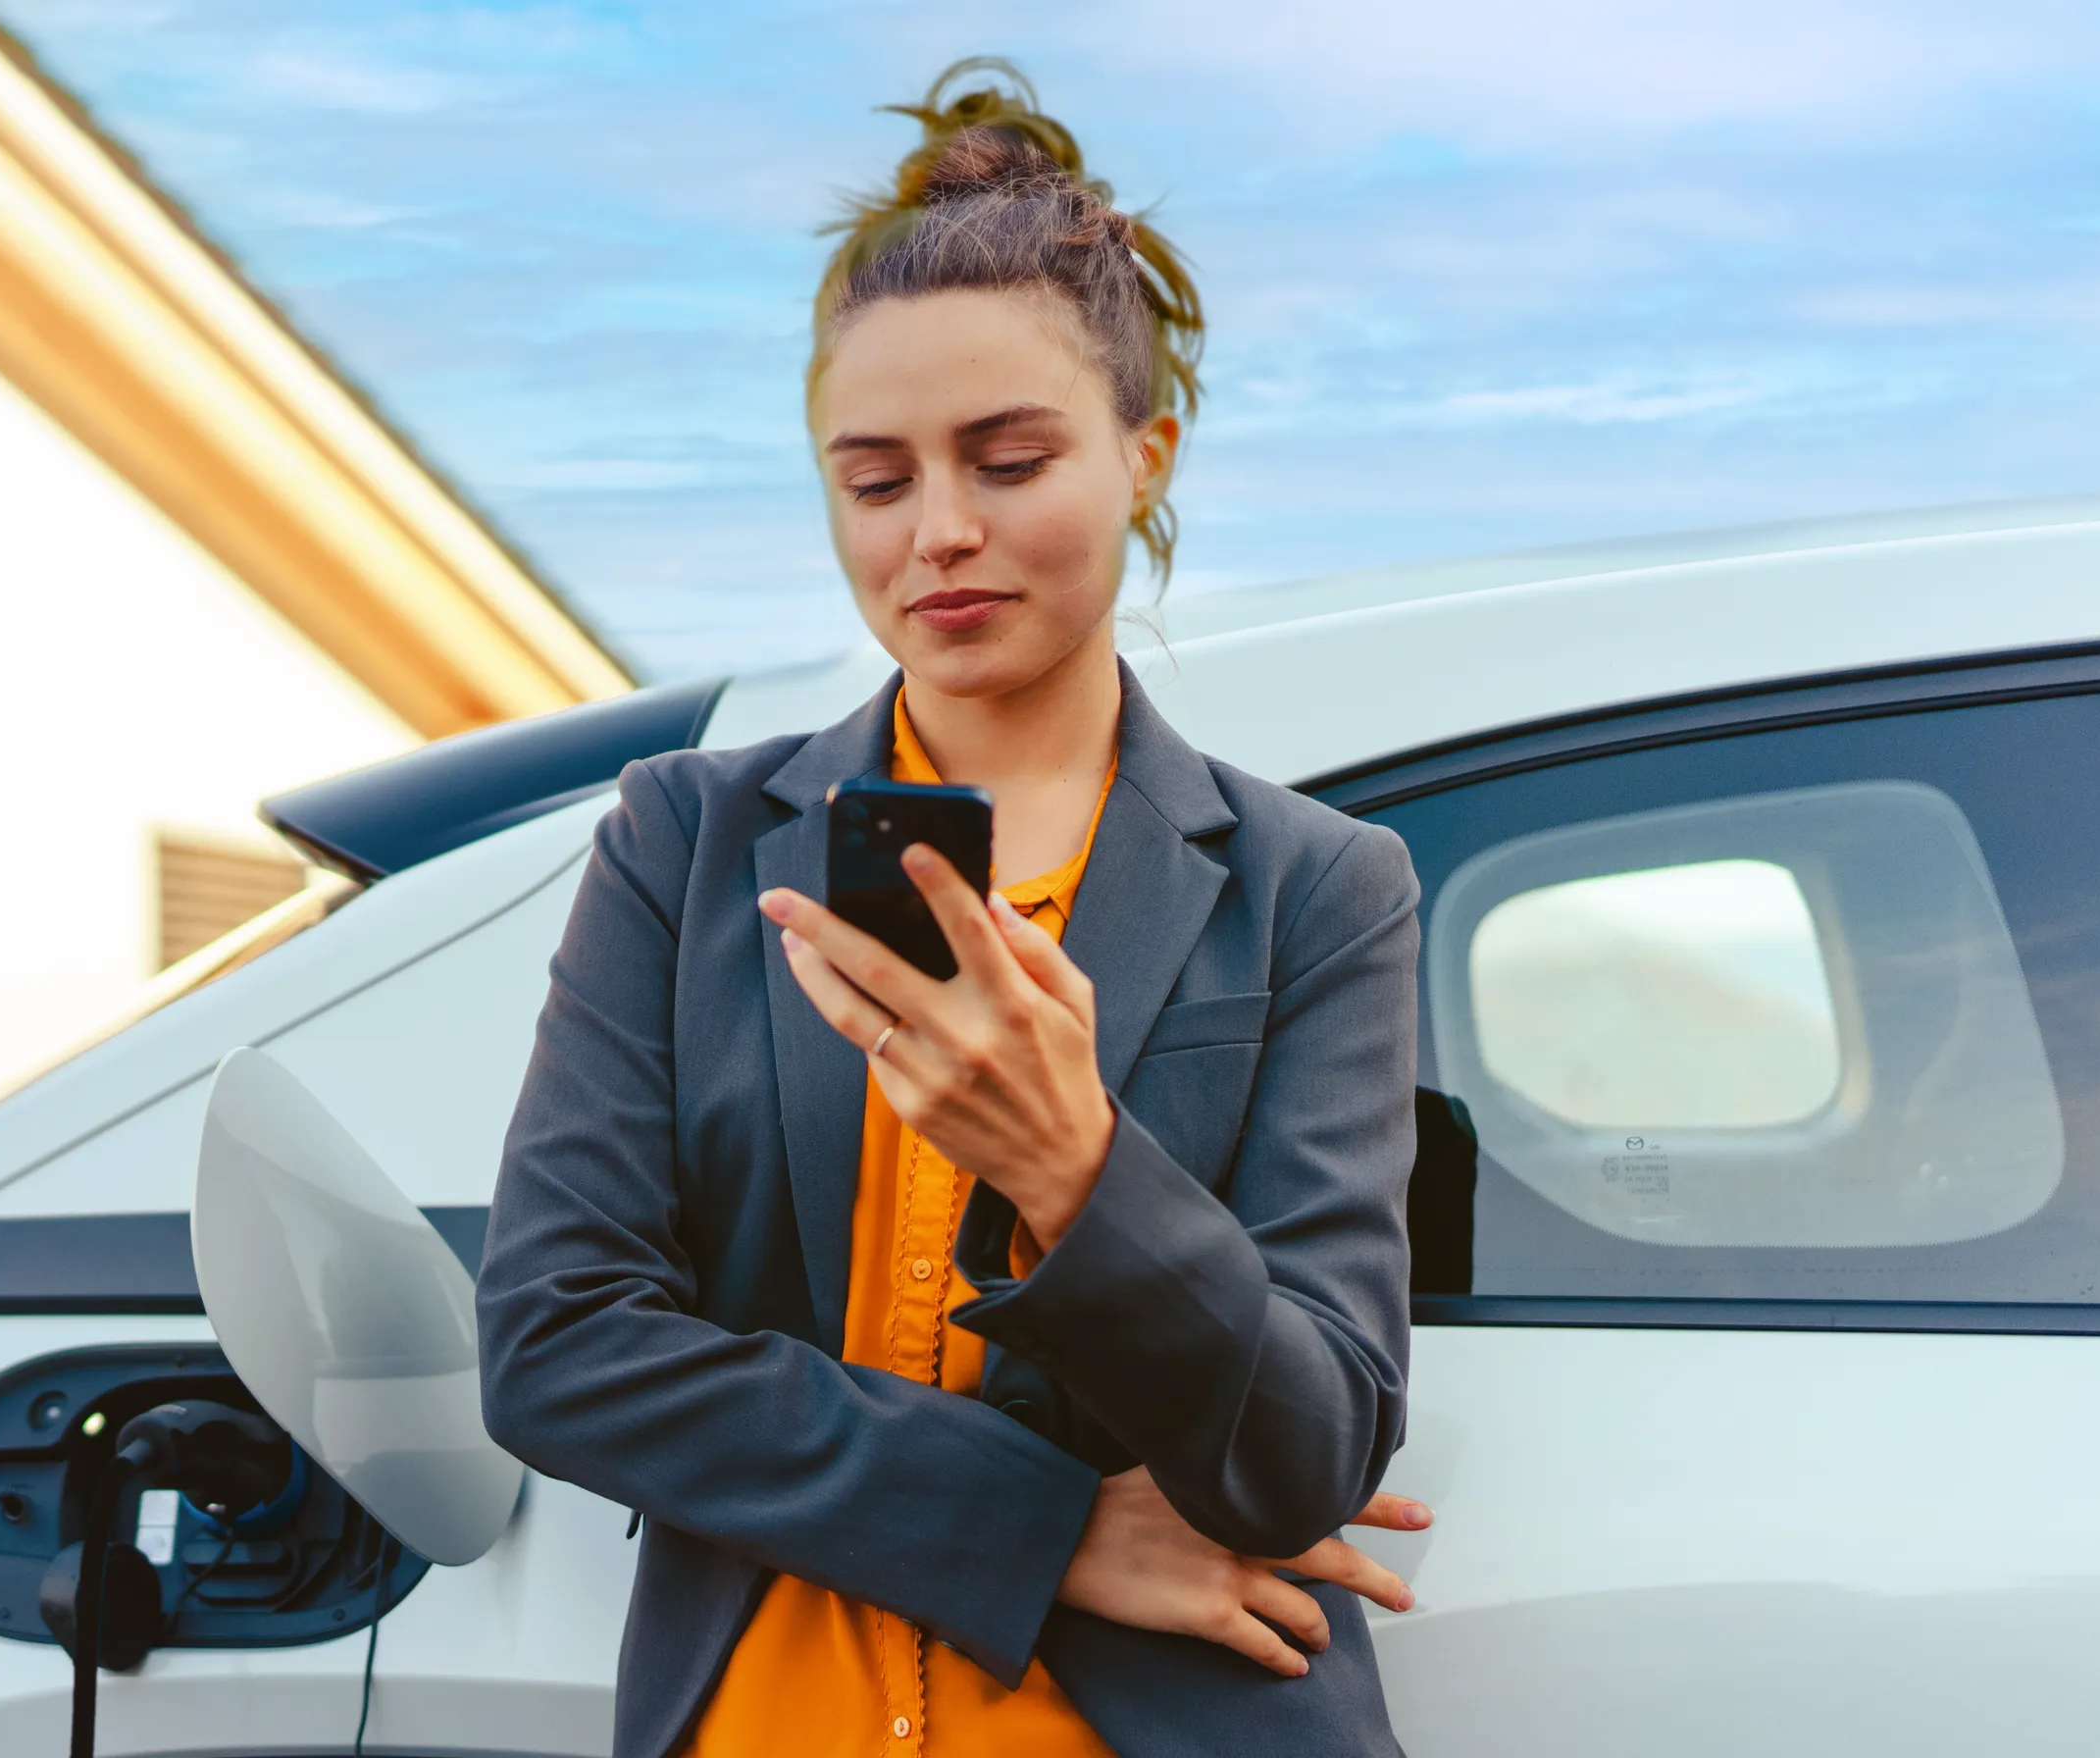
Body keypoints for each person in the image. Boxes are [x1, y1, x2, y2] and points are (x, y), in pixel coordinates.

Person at [474, 59, 1432, 1758]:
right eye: (877, 479)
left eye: (1008, 458)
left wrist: (1079, 1171)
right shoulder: (686, 845)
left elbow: (1304, 1453)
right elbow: (558, 1346)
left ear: (1147, 455)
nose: (942, 534)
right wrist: (1044, 1530)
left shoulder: (1316, 893)